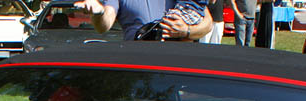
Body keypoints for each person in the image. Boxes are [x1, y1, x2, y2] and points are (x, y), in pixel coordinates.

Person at [73, 0, 214, 41]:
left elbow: (207, 23)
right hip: (138, 63)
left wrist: (186, 31)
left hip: (174, 66)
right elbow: (104, 25)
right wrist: (99, 12)